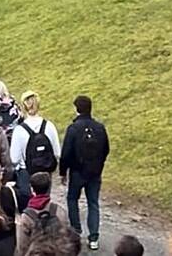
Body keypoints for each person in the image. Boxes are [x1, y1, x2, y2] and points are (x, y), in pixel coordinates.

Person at [59, 95, 110, 251]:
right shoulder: (100, 128)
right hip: (95, 172)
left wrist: (63, 172)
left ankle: (76, 231)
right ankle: (93, 236)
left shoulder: (73, 129)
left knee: (72, 199)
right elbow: (106, 149)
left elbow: (66, 153)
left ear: (76, 109)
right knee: (93, 203)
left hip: (77, 172)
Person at [10, 91, 59, 198]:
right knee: (45, 201)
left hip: (27, 171)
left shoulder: (19, 130)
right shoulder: (49, 126)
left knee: (30, 204)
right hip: (46, 172)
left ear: (24, 107)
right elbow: (57, 153)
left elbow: (14, 159)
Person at [15, 172, 69, 256]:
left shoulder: (26, 216)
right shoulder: (59, 210)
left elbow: (22, 245)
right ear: (49, 188)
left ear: (32, 189)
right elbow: (65, 235)